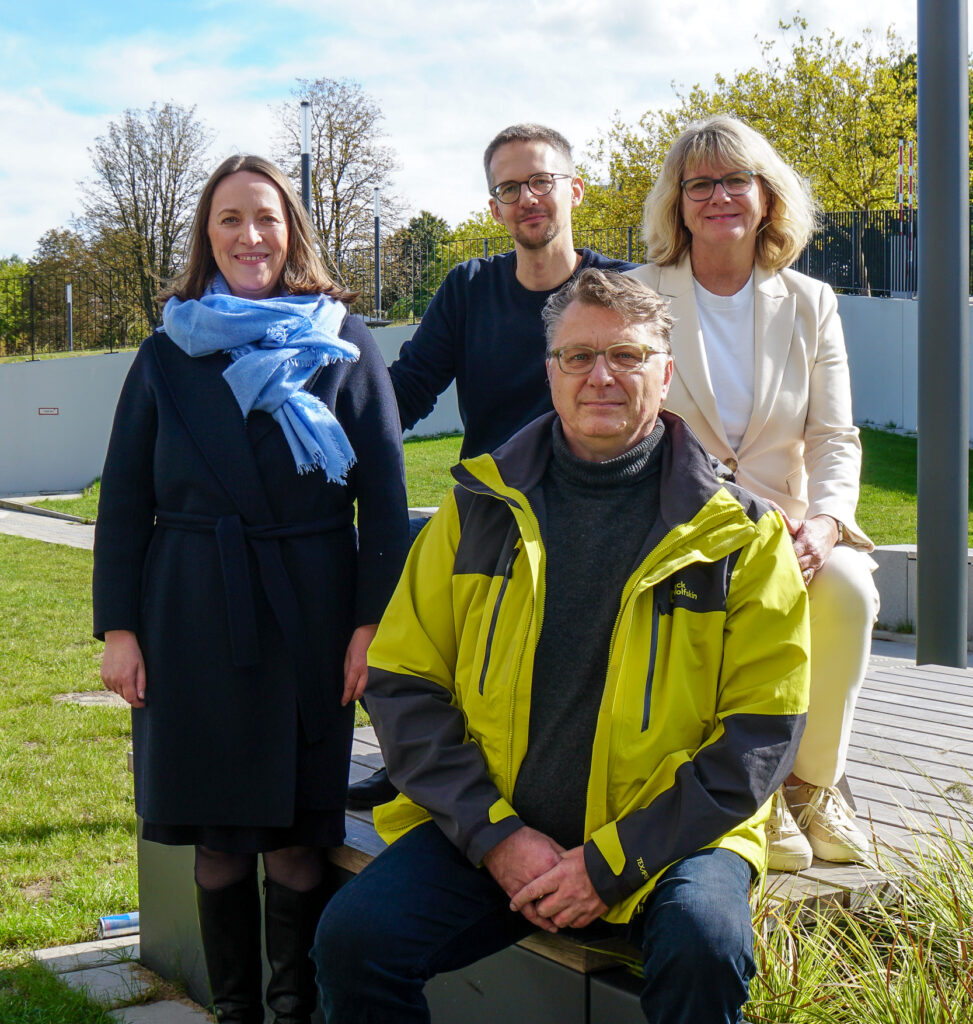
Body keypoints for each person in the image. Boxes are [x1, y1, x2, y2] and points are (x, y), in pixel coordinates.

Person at [313, 269, 810, 1024]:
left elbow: (761, 734)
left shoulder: (740, 534)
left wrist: (611, 865)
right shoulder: (476, 510)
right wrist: (498, 837)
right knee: (354, 940)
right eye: (577, 357)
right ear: (550, 373)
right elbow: (403, 681)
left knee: (704, 946)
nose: (600, 376)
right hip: (502, 830)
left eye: (627, 357)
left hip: (668, 842)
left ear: (665, 374)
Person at [93, 154, 409, 1024]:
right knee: (220, 841)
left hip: (309, 607)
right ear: (206, 234)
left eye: (265, 218)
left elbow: (383, 501)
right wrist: (119, 629)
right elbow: (122, 499)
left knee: (301, 841)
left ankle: (292, 1008)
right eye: (229, 219)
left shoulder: (343, 342)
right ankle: (235, 1014)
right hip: (191, 611)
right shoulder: (165, 353)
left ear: (291, 230)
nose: (249, 236)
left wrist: (369, 625)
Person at [347, 122, 633, 809]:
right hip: (488, 503)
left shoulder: (618, 289)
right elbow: (409, 388)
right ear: (494, 208)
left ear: (575, 190)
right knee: (397, 587)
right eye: (510, 187)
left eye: (541, 180)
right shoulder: (469, 288)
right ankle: (414, 759)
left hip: (592, 502)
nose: (528, 197)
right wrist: (332, 432)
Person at [628, 115, 879, 872]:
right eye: (697, 184)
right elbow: (627, 428)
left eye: (734, 179)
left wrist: (829, 523)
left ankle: (812, 785)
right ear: (676, 203)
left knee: (849, 592)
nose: (718, 197)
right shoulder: (638, 294)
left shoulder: (811, 302)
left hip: (794, 527)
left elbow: (834, 436)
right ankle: (754, 796)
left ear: (765, 197)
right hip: (677, 524)